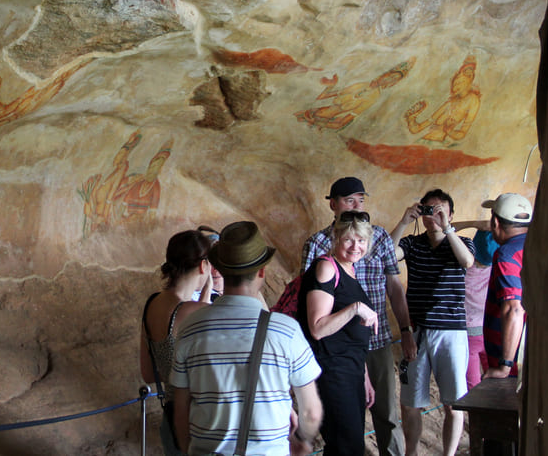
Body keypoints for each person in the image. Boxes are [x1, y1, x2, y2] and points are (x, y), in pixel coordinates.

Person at [171, 221, 323, 456]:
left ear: (219, 269)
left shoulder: (191, 329)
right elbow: (311, 412)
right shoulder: (286, 331)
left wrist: (187, 447)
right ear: (261, 272)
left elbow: (180, 408)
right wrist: (303, 439)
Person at [301, 176, 414, 456]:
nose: (355, 246)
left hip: (369, 347)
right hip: (335, 356)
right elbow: (313, 309)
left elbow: (394, 286)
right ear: (333, 205)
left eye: (360, 200)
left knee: (385, 414)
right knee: (346, 433)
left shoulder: (374, 243)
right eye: (349, 200)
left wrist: (406, 329)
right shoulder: (321, 250)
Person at [390, 189, 476, 456]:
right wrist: (404, 221)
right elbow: (388, 256)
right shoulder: (413, 244)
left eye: (441, 210)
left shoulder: (461, 242)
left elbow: (467, 261)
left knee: (455, 403)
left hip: (451, 334)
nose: (434, 215)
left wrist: (448, 229)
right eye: (429, 210)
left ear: (451, 214)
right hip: (416, 332)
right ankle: (411, 452)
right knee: (410, 403)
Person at [299, 210, 380, 456]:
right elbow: (318, 328)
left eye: (361, 240)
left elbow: (353, 336)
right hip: (332, 370)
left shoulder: (350, 270)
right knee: (347, 446)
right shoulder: (326, 268)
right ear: (336, 238)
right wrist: (355, 308)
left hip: (351, 369)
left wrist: (364, 376)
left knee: (347, 445)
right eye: (348, 240)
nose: (356, 246)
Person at [139, 230, 214, 455]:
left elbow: (149, 374)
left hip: (170, 419)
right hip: (198, 421)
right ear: (204, 266)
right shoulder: (198, 310)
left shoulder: (152, 304)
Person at [481, 193, 531, 380]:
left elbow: (514, 309)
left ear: (495, 222)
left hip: (516, 367)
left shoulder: (506, 255)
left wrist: (505, 366)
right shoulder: (537, 247)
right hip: (538, 358)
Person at [451, 220, 497, 389]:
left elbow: (445, 231)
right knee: (496, 384)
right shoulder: (498, 269)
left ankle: (476, 415)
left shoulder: (459, 267)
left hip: (467, 335)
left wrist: (475, 223)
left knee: (473, 386)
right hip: (491, 332)